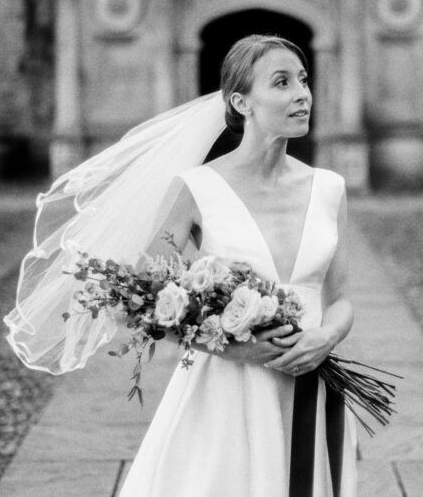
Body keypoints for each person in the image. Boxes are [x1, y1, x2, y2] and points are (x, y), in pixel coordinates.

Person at [117, 34, 358, 496]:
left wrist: (325, 338)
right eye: (282, 82)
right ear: (240, 101)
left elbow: (342, 298)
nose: (302, 94)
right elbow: (141, 300)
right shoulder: (196, 188)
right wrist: (231, 349)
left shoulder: (329, 188)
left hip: (309, 385)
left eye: (304, 81)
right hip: (224, 392)